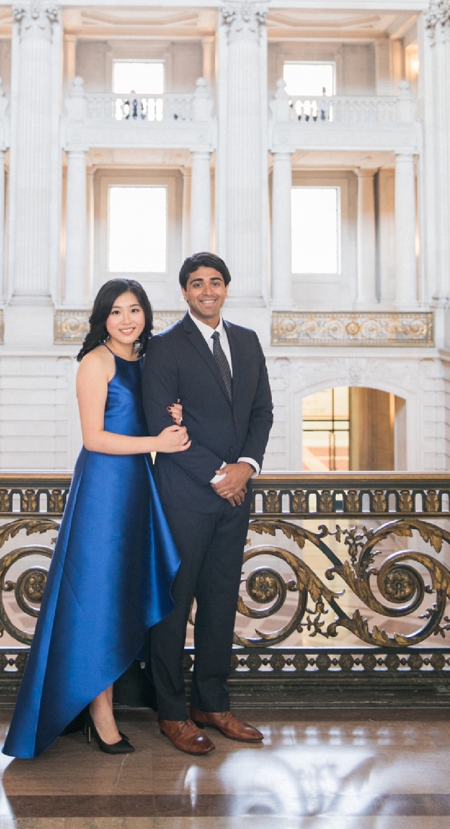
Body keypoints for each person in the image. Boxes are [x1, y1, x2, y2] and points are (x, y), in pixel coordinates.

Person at [2, 278, 185, 758]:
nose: (127, 319)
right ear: (103, 318)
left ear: (146, 315)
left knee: (123, 593)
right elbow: (94, 438)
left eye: (135, 310)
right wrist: (156, 443)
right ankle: (99, 716)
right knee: (99, 599)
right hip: (104, 490)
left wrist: (172, 417)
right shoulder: (95, 362)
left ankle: (104, 702)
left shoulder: (146, 363)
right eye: (117, 311)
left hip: (137, 490)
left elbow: (150, 421)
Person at [141, 252, 273, 755]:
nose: (207, 290)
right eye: (197, 284)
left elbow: (262, 412)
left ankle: (212, 703)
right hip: (184, 497)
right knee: (173, 608)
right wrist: (219, 474)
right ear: (184, 293)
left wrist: (245, 467)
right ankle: (172, 713)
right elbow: (161, 424)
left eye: (215, 282)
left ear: (226, 288)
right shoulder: (165, 348)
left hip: (236, 497)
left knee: (221, 601)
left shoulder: (246, 340)